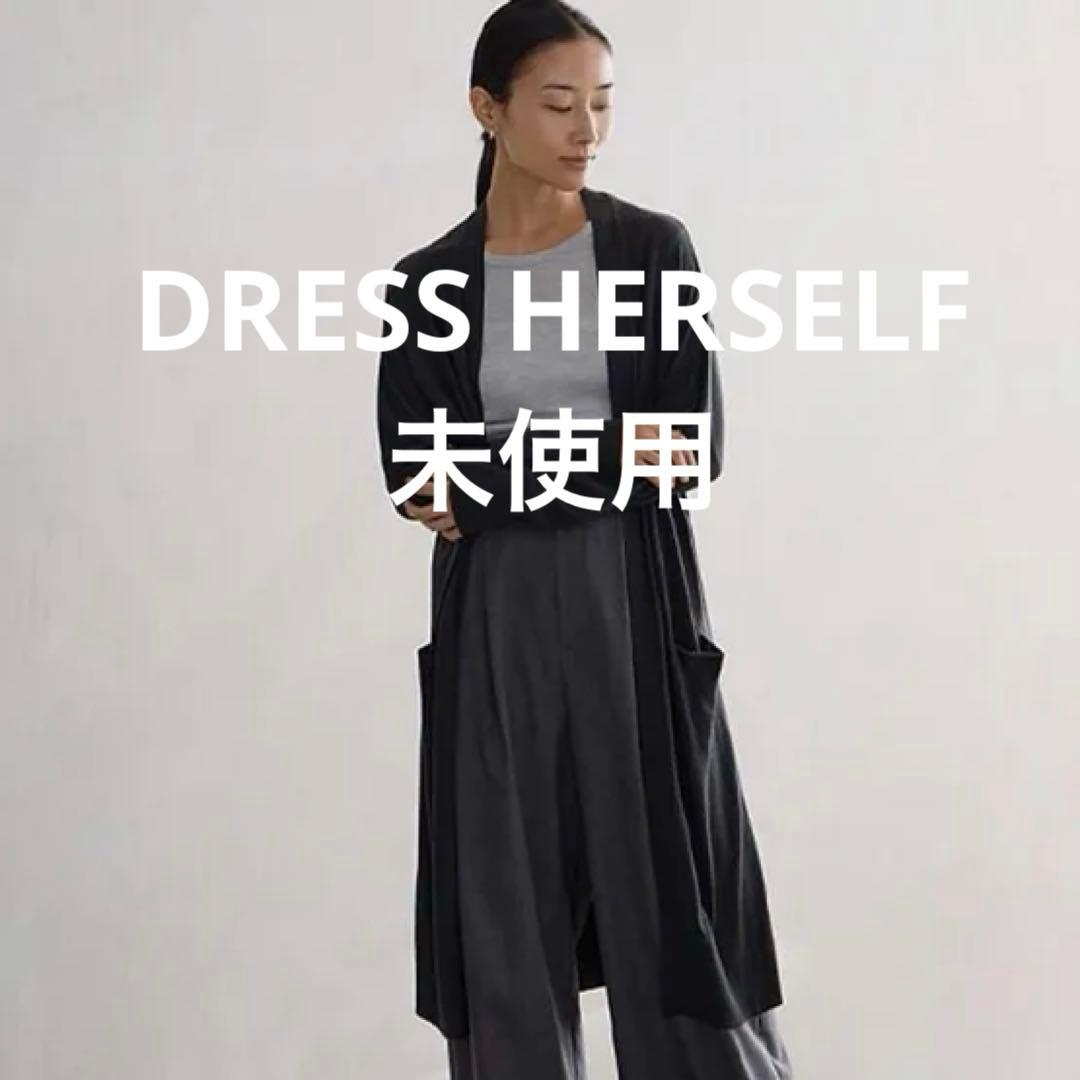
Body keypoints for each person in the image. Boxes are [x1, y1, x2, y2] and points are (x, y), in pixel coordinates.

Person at [375, 3, 794, 1077]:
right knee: (502, 907)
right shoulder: (428, 282)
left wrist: (496, 471)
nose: (587, 130)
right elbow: (417, 477)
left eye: (602, 104)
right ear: (488, 109)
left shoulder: (652, 249)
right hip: (493, 620)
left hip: (634, 602)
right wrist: (607, 446)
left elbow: (689, 448)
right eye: (559, 103)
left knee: (673, 900)